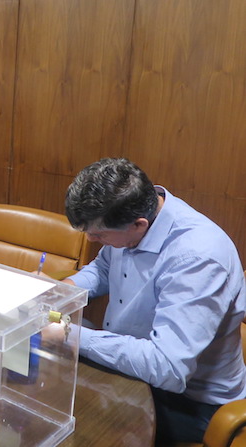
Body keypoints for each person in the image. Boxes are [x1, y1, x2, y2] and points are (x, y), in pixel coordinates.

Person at [62, 158, 246, 444]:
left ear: (139, 224)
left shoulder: (198, 258)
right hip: (134, 371)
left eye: (98, 235)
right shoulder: (132, 217)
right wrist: (63, 290)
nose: (92, 239)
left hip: (191, 401)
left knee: (80, 422)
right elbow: (103, 268)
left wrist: (69, 335)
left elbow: (167, 367)